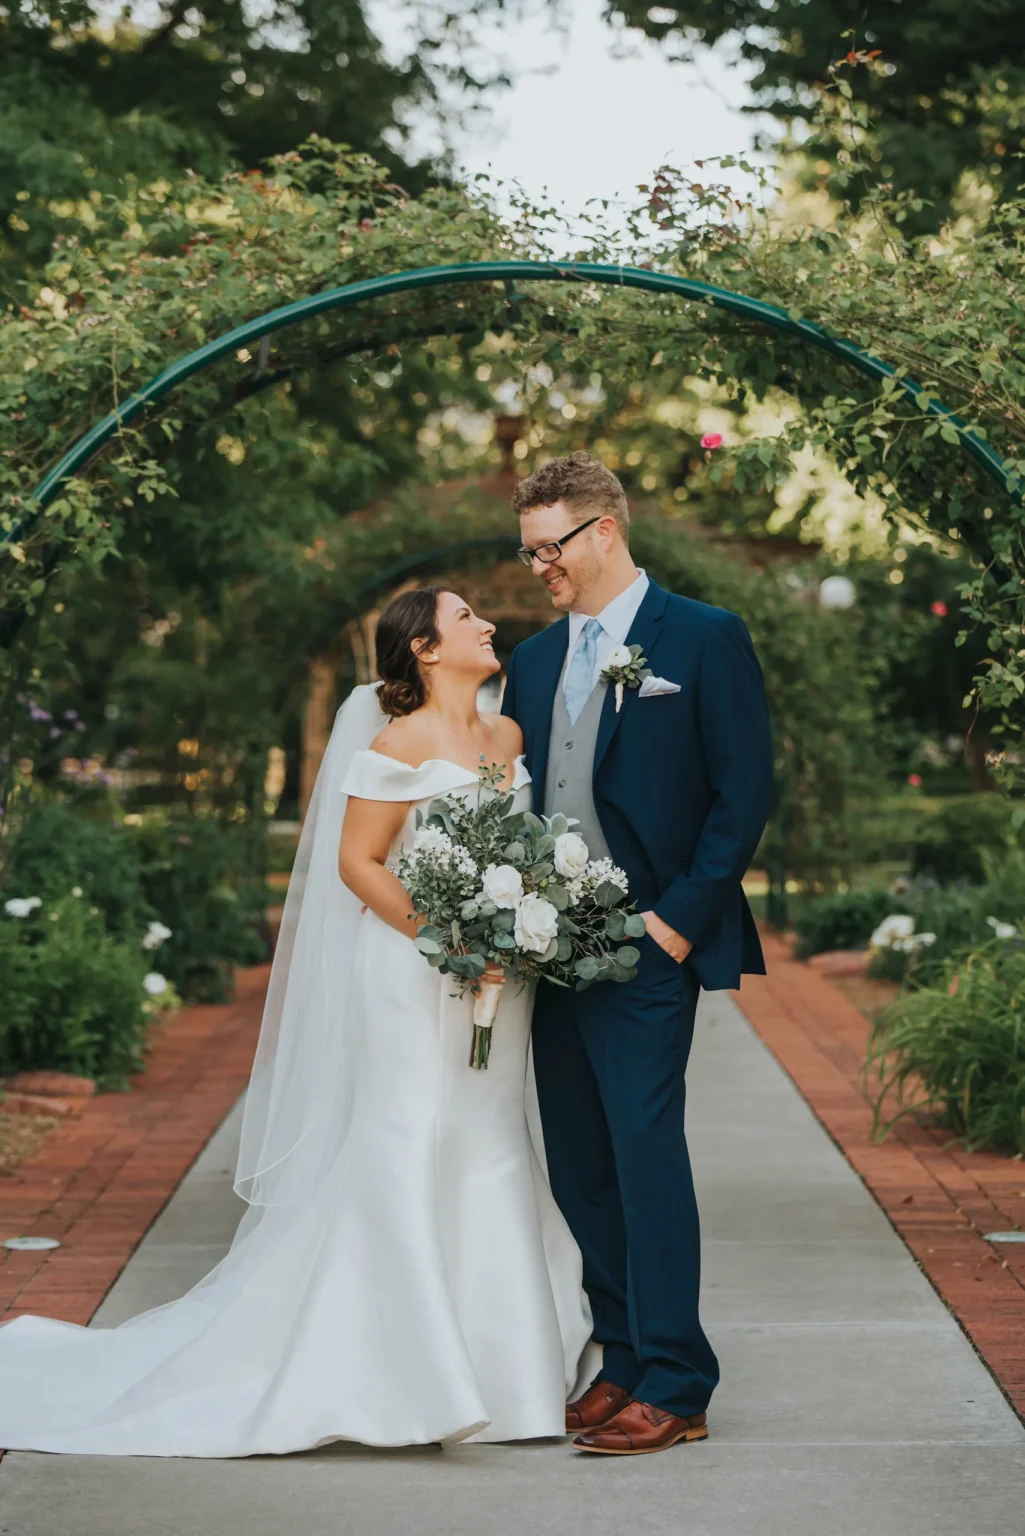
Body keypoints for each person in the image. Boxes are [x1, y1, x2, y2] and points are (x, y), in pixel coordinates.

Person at [0, 586, 592, 1458]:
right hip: (412, 968)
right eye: (465, 617)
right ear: (425, 650)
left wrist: (522, 922)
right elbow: (359, 864)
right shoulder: (394, 744)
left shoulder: (506, 737)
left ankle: (507, 1367)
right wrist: (454, 939)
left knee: (490, 1135)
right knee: (408, 1135)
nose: (486, 625)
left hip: (503, 976)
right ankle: (404, 1368)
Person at [502, 451, 773, 1456]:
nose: (538, 566)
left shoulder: (701, 639)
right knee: (580, 1164)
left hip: (648, 947)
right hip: (550, 953)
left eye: (551, 546)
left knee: (645, 1155)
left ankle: (676, 1380)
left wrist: (674, 924)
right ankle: (616, 1361)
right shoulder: (532, 663)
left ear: (603, 531)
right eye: (527, 551)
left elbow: (741, 792)